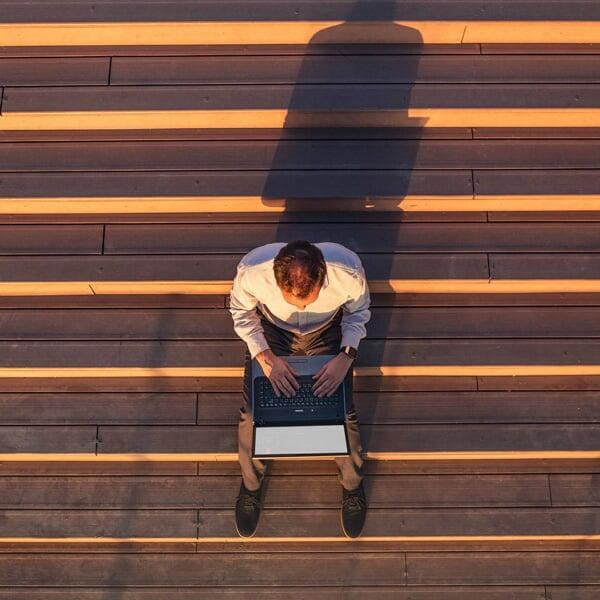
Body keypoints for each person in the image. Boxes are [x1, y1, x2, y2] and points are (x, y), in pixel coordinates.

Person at [229, 239, 372, 538]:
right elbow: (241, 312)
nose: (304, 307)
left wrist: (346, 356)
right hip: (273, 334)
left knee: (343, 412)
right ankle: (251, 485)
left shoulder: (348, 271)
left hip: (328, 332)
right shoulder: (253, 271)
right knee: (253, 414)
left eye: (310, 299)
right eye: (295, 301)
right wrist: (264, 356)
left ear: (322, 277)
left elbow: (358, 314)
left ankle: (352, 485)